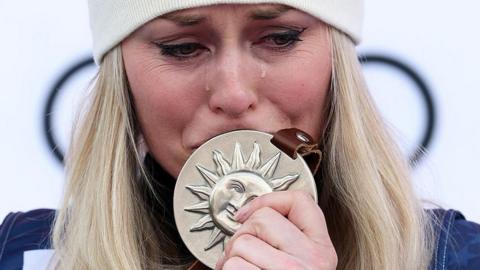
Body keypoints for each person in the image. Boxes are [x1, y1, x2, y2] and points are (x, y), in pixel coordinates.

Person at [1, 1, 479, 269]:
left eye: (280, 37)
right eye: (182, 46)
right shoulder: (23, 256)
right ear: (121, 75)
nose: (233, 93)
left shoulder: (455, 259)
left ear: (338, 62)